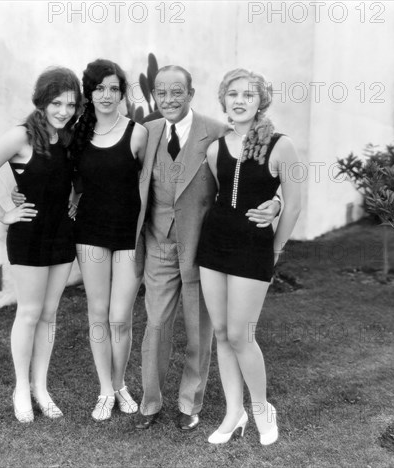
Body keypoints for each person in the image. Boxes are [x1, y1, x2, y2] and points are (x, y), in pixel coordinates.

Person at [134, 65, 281, 431]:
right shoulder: (147, 132)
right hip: (158, 245)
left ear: (191, 94)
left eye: (177, 92)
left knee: (200, 329)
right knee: (155, 325)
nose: (168, 99)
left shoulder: (218, 132)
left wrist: (276, 201)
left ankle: (189, 403)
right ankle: (150, 404)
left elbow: (254, 175)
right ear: (154, 95)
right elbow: (107, 170)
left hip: (205, 247)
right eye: (161, 92)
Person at [13, 59, 147, 422]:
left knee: (121, 317)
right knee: (98, 315)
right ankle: (105, 389)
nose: (107, 95)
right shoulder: (76, 135)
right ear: (90, 93)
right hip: (88, 234)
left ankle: (120, 384)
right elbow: (54, 175)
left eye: (114, 89)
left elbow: (154, 185)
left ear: (122, 93)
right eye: (100, 88)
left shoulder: (138, 133)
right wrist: (19, 196)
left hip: (128, 236)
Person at [0, 67, 82, 423]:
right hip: (29, 234)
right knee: (29, 313)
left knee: (49, 314)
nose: (63, 110)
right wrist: (3, 214)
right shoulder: (21, 136)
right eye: (56, 102)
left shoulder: (68, 138)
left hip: (63, 234)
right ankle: (20, 388)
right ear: (42, 101)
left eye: (70, 104)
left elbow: (70, 182)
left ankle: (41, 388)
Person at [196, 68, 302, 445]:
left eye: (249, 95)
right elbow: (222, 197)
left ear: (261, 102)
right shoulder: (215, 148)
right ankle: (232, 411)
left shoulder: (280, 145)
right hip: (213, 246)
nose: (239, 101)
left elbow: (292, 206)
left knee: (242, 334)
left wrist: (274, 248)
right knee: (222, 333)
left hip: (253, 247)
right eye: (233, 94)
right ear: (223, 99)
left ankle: (261, 407)